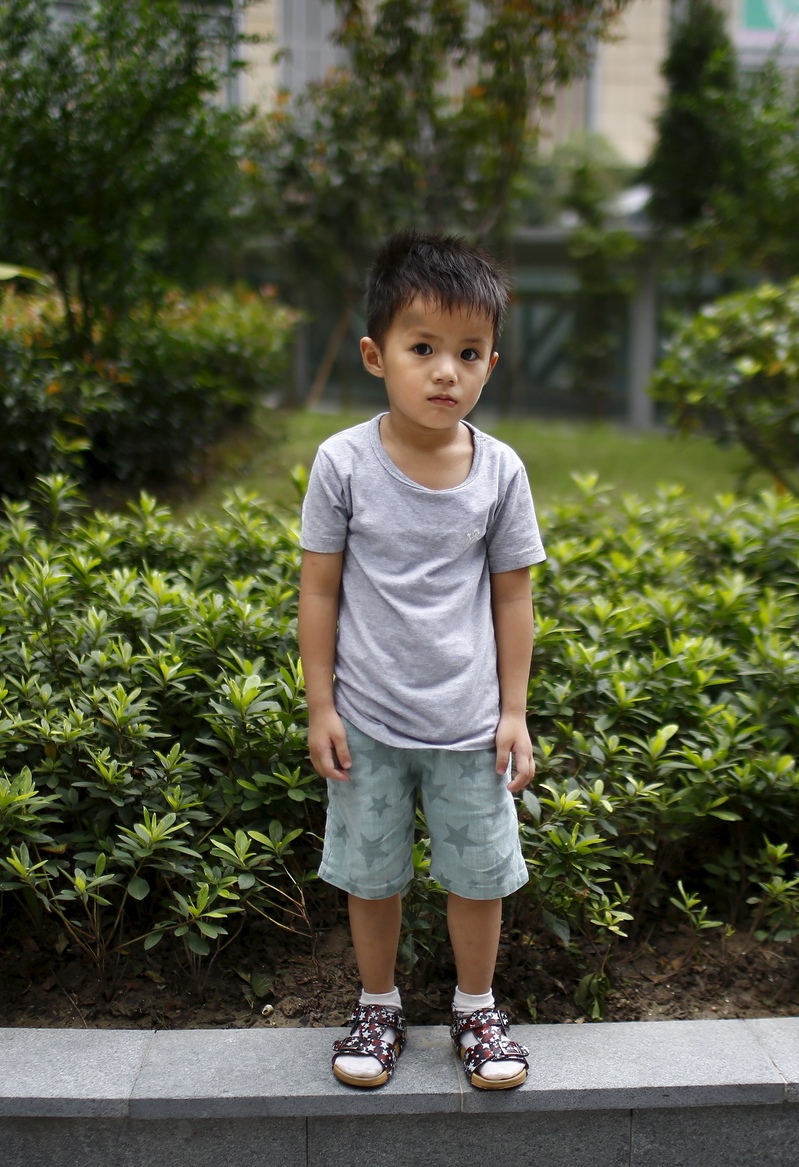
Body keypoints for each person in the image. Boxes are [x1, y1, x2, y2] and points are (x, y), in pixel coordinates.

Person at [298, 231, 545, 1091]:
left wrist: (513, 714)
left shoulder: (501, 472)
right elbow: (319, 592)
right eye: (424, 348)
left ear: (491, 364)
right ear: (377, 354)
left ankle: (476, 1009)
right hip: (367, 720)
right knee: (373, 875)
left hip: (470, 723)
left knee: (479, 876)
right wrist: (321, 707)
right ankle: (378, 1002)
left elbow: (513, 599)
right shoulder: (343, 463)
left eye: (468, 353)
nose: (447, 371)